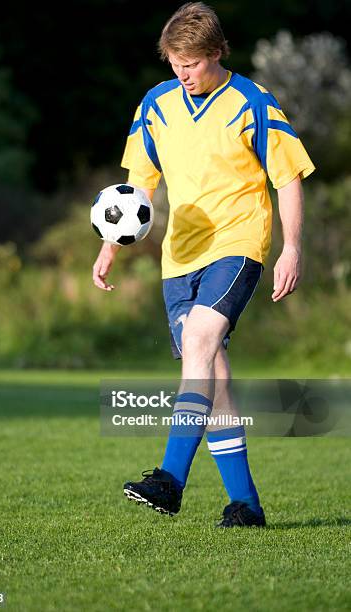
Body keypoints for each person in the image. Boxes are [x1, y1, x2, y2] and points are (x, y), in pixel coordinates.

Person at [92, 2, 315, 527]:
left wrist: (292, 247)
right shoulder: (156, 103)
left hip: (237, 245)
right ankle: (246, 505)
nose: (182, 73)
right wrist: (109, 245)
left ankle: (170, 478)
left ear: (216, 52)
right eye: (174, 63)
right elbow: (138, 187)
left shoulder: (252, 101)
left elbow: (287, 177)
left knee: (199, 340)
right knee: (213, 375)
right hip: (179, 257)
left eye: (190, 63)